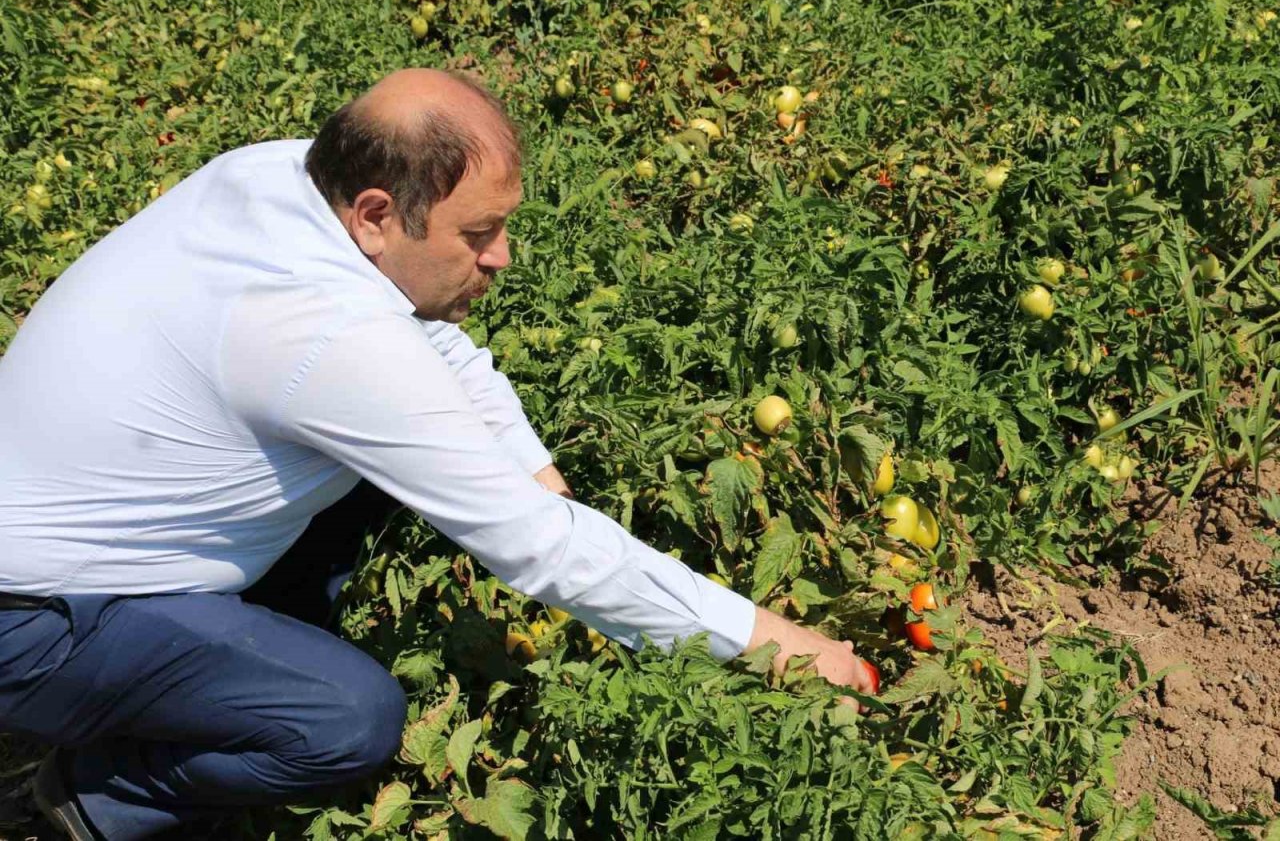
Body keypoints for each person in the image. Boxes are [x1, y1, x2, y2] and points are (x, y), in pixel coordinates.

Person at [0, 68, 876, 840]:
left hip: (69, 527)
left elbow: (431, 347)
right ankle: (101, 798)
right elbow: (547, 550)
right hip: (36, 616)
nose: (502, 257)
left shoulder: (283, 175)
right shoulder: (322, 333)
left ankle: (250, 649)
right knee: (347, 717)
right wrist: (784, 644)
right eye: (478, 234)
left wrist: (531, 467)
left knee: (402, 460)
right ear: (379, 214)